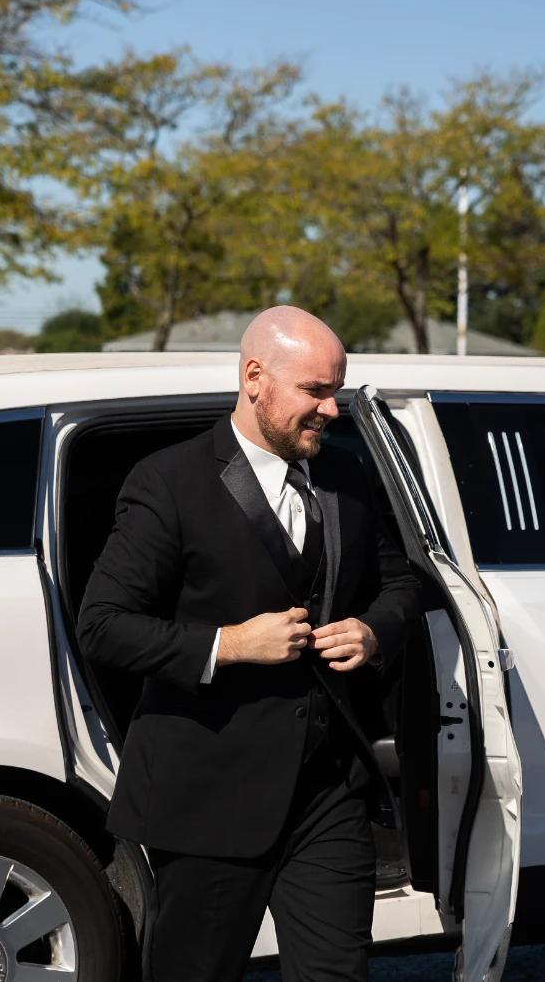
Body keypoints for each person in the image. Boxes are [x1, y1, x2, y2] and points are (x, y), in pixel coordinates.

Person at [76, 306, 420, 982]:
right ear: (255, 376)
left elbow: (402, 582)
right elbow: (102, 623)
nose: (331, 410)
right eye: (314, 392)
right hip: (208, 796)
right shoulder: (168, 482)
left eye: (337, 392)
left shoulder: (349, 477)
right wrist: (229, 643)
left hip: (329, 791)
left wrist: (376, 629)